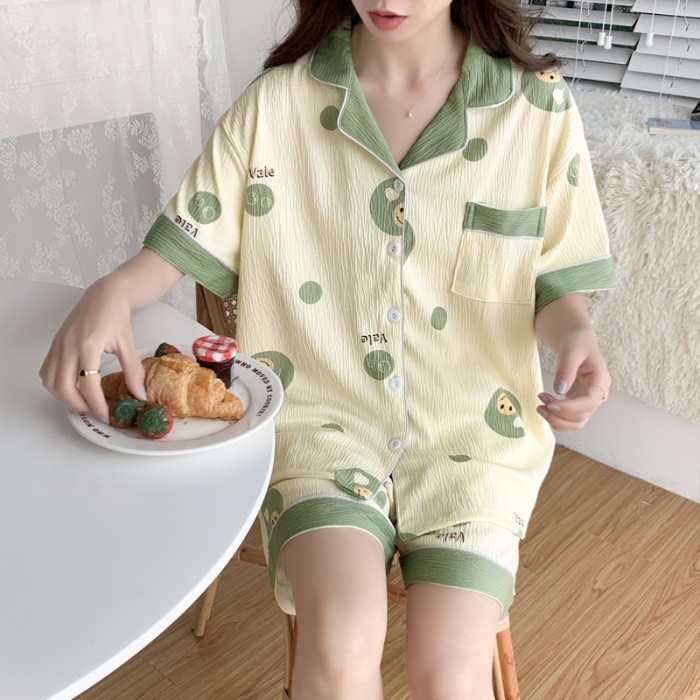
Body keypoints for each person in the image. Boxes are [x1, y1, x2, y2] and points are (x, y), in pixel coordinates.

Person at [40, 1, 615, 697]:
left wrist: (576, 335)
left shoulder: (537, 109)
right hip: (320, 426)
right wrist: (111, 290)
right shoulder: (276, 105)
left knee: (452, 671)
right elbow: (177, 246)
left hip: (475, 438)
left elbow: (555, 279)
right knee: (341, 635)